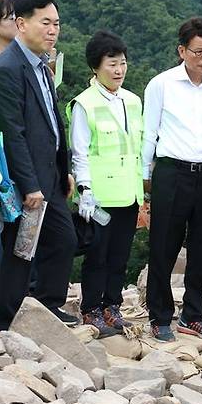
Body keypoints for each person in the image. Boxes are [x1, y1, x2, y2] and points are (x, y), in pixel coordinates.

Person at [142, 16, 202, 342]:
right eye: (198, 52)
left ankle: (193, 314)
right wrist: (144, 180)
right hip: (171, 172)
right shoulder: (161, 85)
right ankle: (159, 315)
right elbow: (149, 134)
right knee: (163, 246)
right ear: (182, 50)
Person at [0, 0, 77, 331]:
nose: (52, 30)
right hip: (26, 181)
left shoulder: (42, 65)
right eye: (45, 22)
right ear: (21, 24)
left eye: (56, 23)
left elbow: (51, 122)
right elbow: (14, 133)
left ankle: (46, 307)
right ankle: (7, 321)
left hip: (52, 176)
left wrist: (65, 170)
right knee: (20, 251)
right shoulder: (9, 67)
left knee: (64, 240)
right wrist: (28, 185)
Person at [68, 30, 144, 337]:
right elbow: (80, 151)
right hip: (99, 196)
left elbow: (139, 148)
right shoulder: (84, 104)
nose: (119, 70)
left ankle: (113, 307)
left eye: (122, 63)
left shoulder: (133, 100)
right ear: (95, 67)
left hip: (129, 192)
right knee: (98, 254)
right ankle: (91, 309)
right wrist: (85, 190)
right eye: (112, 64)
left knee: (119, 254)